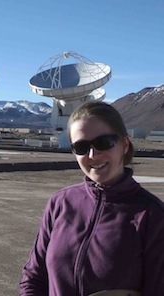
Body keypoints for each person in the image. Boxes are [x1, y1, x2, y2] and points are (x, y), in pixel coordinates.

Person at [19, 101, 164, 296]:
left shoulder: (152, 215)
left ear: (125, 144)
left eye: (104, 143)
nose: (93, 155)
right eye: (81, 147)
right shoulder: (60, 203)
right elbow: (34, 277)